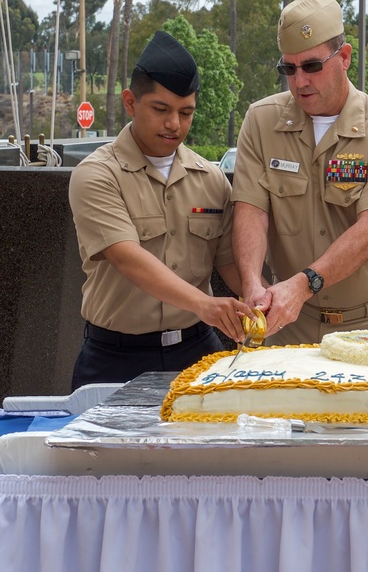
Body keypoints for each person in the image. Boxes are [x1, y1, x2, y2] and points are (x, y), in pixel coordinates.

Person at [231, 0, 368, 345]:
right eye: (289, 68)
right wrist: (252, 284)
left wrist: (303, 286)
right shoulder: (261, 121)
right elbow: (251, 209)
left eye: (312, 66)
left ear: (344, 57)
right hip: (289, 325)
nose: (300, 80)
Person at [69, 30, 251, 390]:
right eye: (161, 109)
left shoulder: (212, 180)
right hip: (115, 359)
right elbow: (127, 257)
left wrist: (258, 296)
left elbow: (228, 260)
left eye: (186, 113)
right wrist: (206, 304)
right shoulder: (97, 174)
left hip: (198, 352)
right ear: (130, 102)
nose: (174, 124)